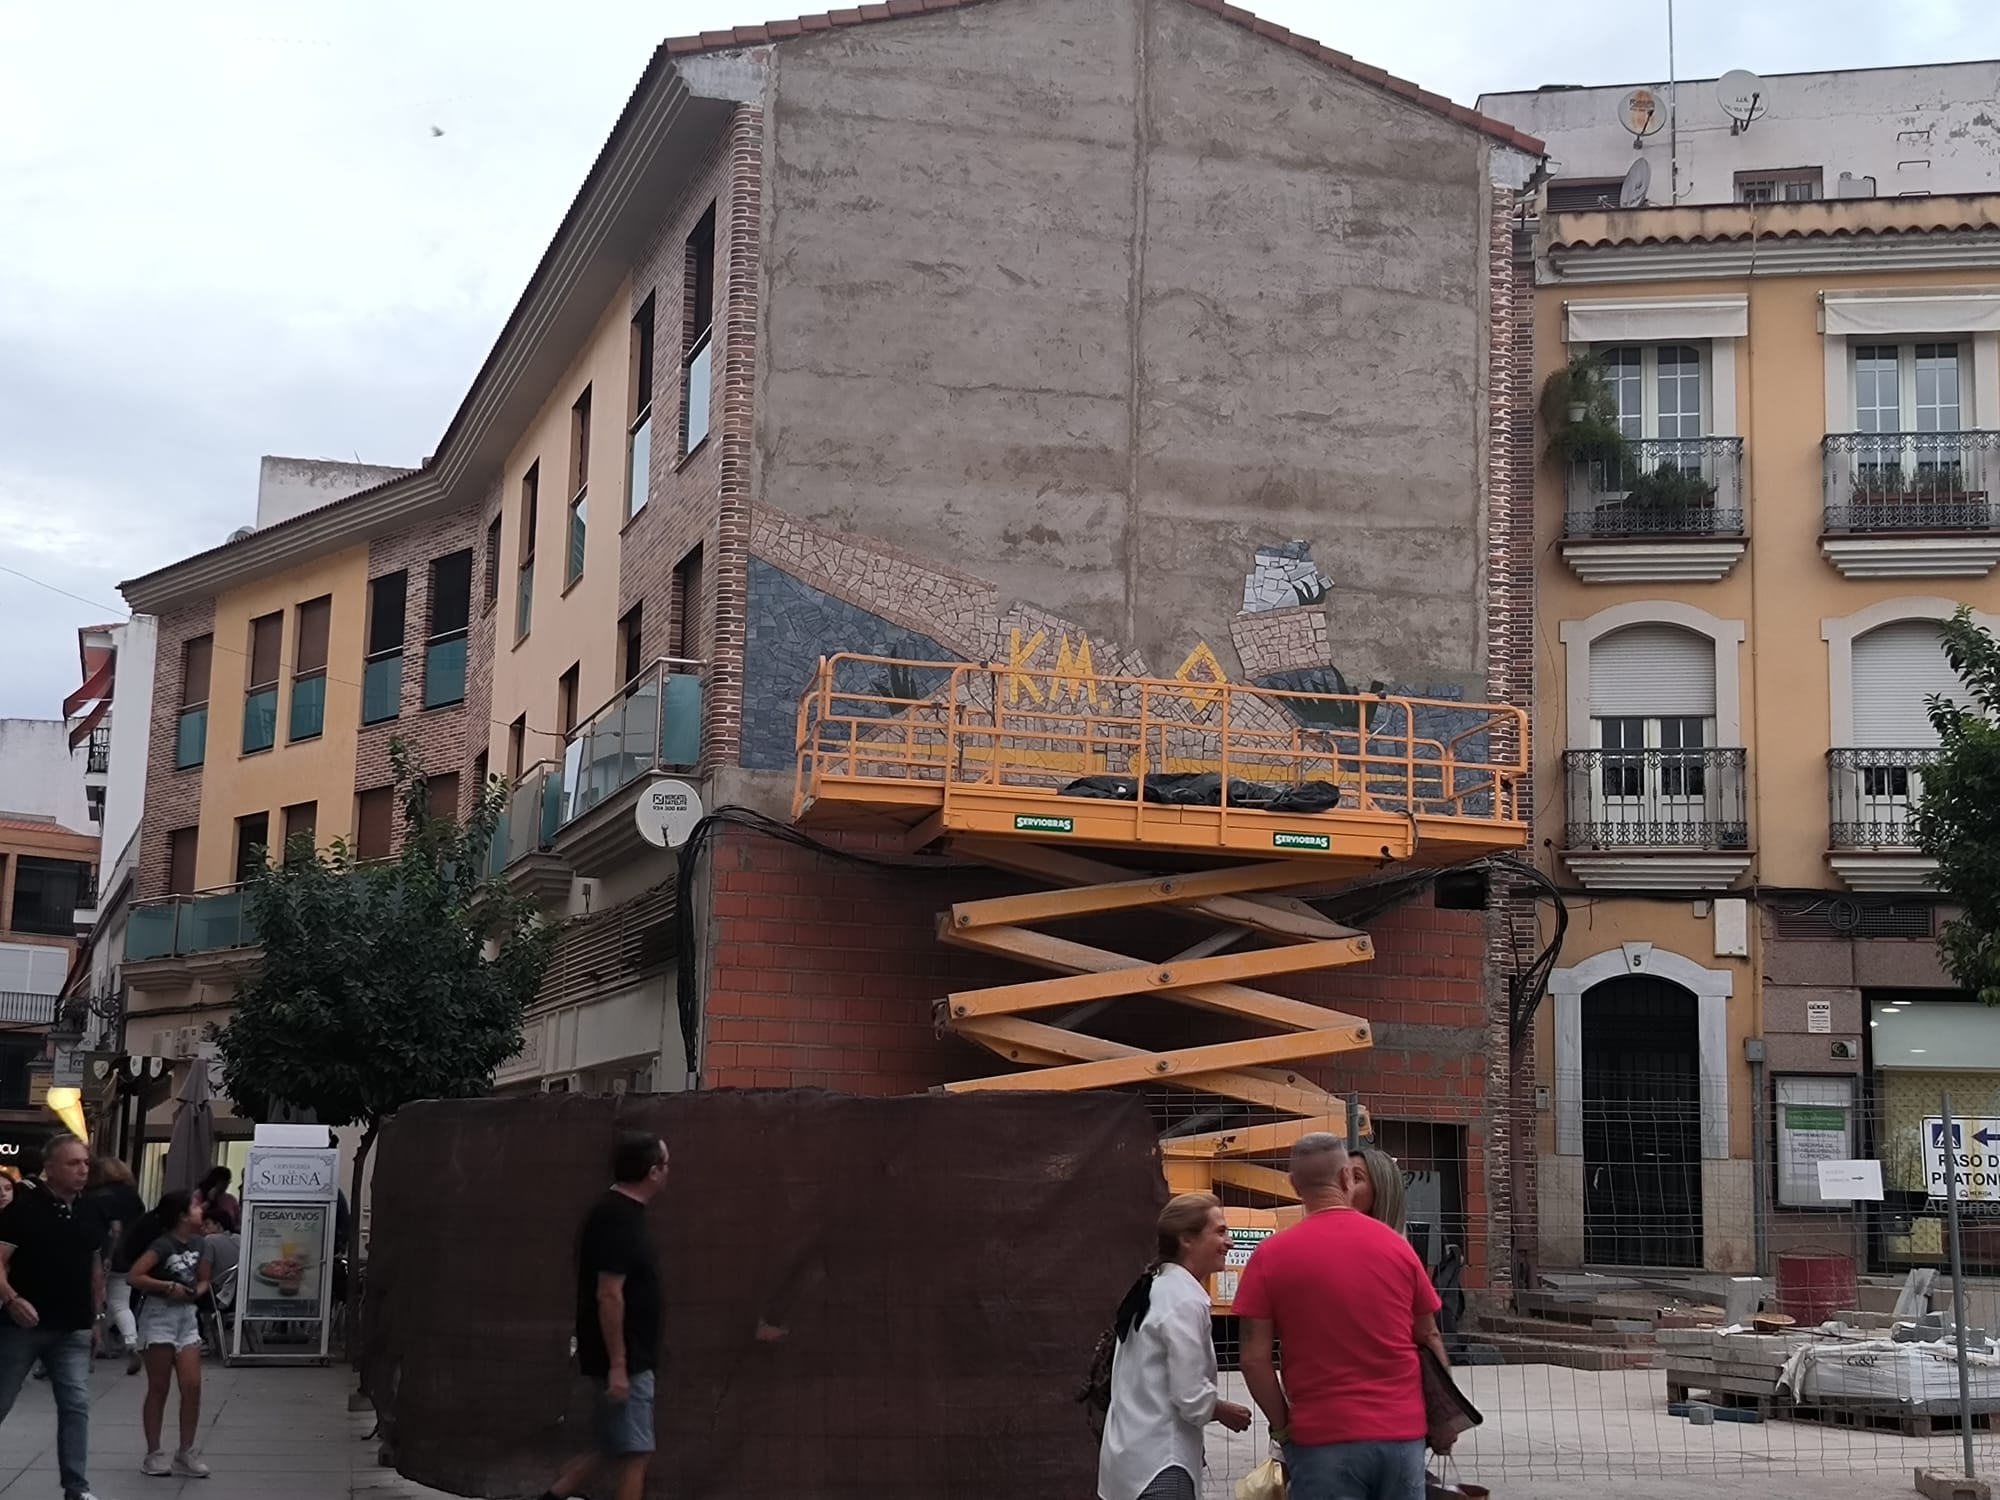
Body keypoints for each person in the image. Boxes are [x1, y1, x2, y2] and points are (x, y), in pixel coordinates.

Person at [1233, 1134, 1447, 1500]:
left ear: (1294, 1185)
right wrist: (1443, 1420)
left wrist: (1283, 1428)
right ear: (1347, 1177)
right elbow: (1428, 1337)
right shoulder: (1398, 1248)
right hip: (1401, 1437)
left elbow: (1254, 1359)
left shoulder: (1270, 1257)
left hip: (1322, 1439)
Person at [538, 1132, 669, 1500]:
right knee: (635, 1453)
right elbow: (609, 1294)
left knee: (613, 1445)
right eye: (665, 1164)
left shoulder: (625, 1215)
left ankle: (552, 1496)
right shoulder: (615, 1219)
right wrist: (619, 1364)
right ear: (652, 1172)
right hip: (625, 1357)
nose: (668, 1172)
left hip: (631, 1354)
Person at [1097, 1192, 1253, 1500]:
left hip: (1126, 1463)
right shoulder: (1184, 1300)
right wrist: (1222, 1410)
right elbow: (1190, 1396)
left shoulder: (1156, 1286)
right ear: (1187, 1240)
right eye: (1220, 1231)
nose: (1230, 1242)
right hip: (1162, 1465)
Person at [0, 1134, 108, 1500]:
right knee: (2, 1400)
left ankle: (76, 1488)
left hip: (73, 1325)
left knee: (76, 1404)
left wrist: (97, 1317)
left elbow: (95, 1266)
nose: (82, 1170)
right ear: (50, 1168)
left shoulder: (90, 1209)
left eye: (85, 1164)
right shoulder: (23, 1209)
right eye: (73, 1163)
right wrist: (11, 1298)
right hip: (23, 1326)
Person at [126, 1189, 213, 1478]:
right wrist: (166, 1287)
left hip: (187, 1317)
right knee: (159, 1386)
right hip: (159, 1315)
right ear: (182, 1216)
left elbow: (204, 1280)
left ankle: (185, 1450)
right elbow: (135, 1275)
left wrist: (193, 1292)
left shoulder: (201, 1243)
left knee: (193, 1386)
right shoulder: (162, 1245)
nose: (202, 1210)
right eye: (196, 1206)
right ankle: (154, 1452)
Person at [86, 1156, 145, 1370]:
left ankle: (95, 1346)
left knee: (95, 1301)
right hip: (128, 1256)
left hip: (102, 1254)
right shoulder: (133, 1197)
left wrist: (106, 1254)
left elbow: (109, 1229)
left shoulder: (96, 1196)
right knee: (121, 1302)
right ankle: (131, 1343)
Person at [1345, 1146, 1408, 1235]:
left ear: (1382, 1191)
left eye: (1356, 1177)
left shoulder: (1394, 1247)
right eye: (1341, 1177)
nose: (1343, 1184)